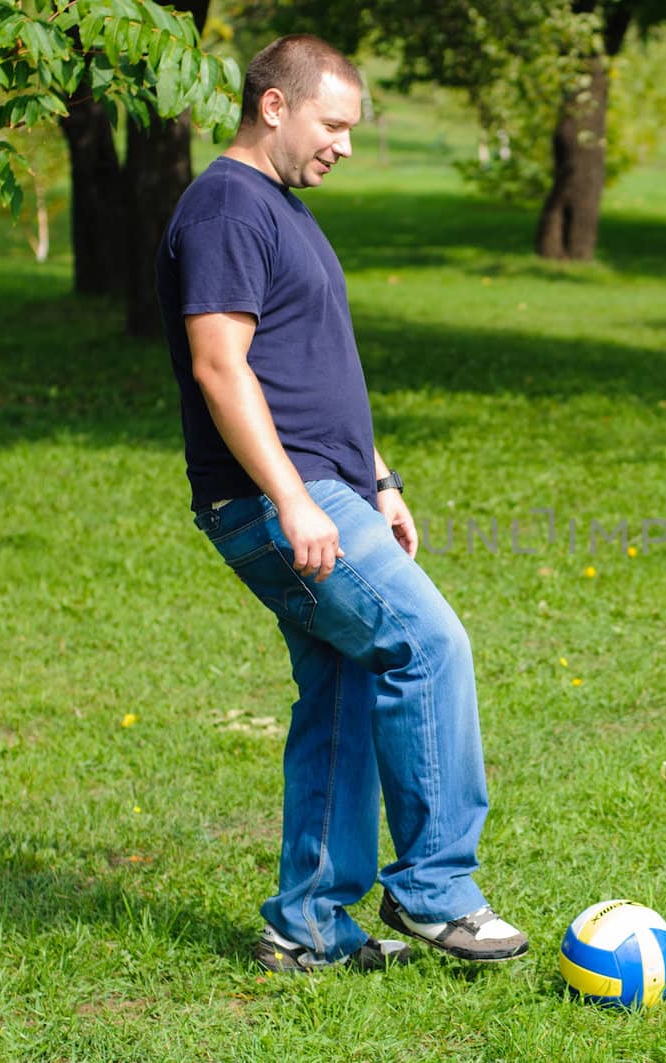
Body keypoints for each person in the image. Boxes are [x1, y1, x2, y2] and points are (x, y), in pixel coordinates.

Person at [155, 34, 527, 973]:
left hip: (330, 487)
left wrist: (382, 479)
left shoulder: (276, 210)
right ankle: (438, 892)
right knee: (429, 643)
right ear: (274, 107)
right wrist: (296, 500)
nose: (345, 147)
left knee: (345, 687)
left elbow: (313, 374)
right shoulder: (225, 209)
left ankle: (310, 924)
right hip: (282, 498)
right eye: (334, 124)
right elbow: (219, 366)